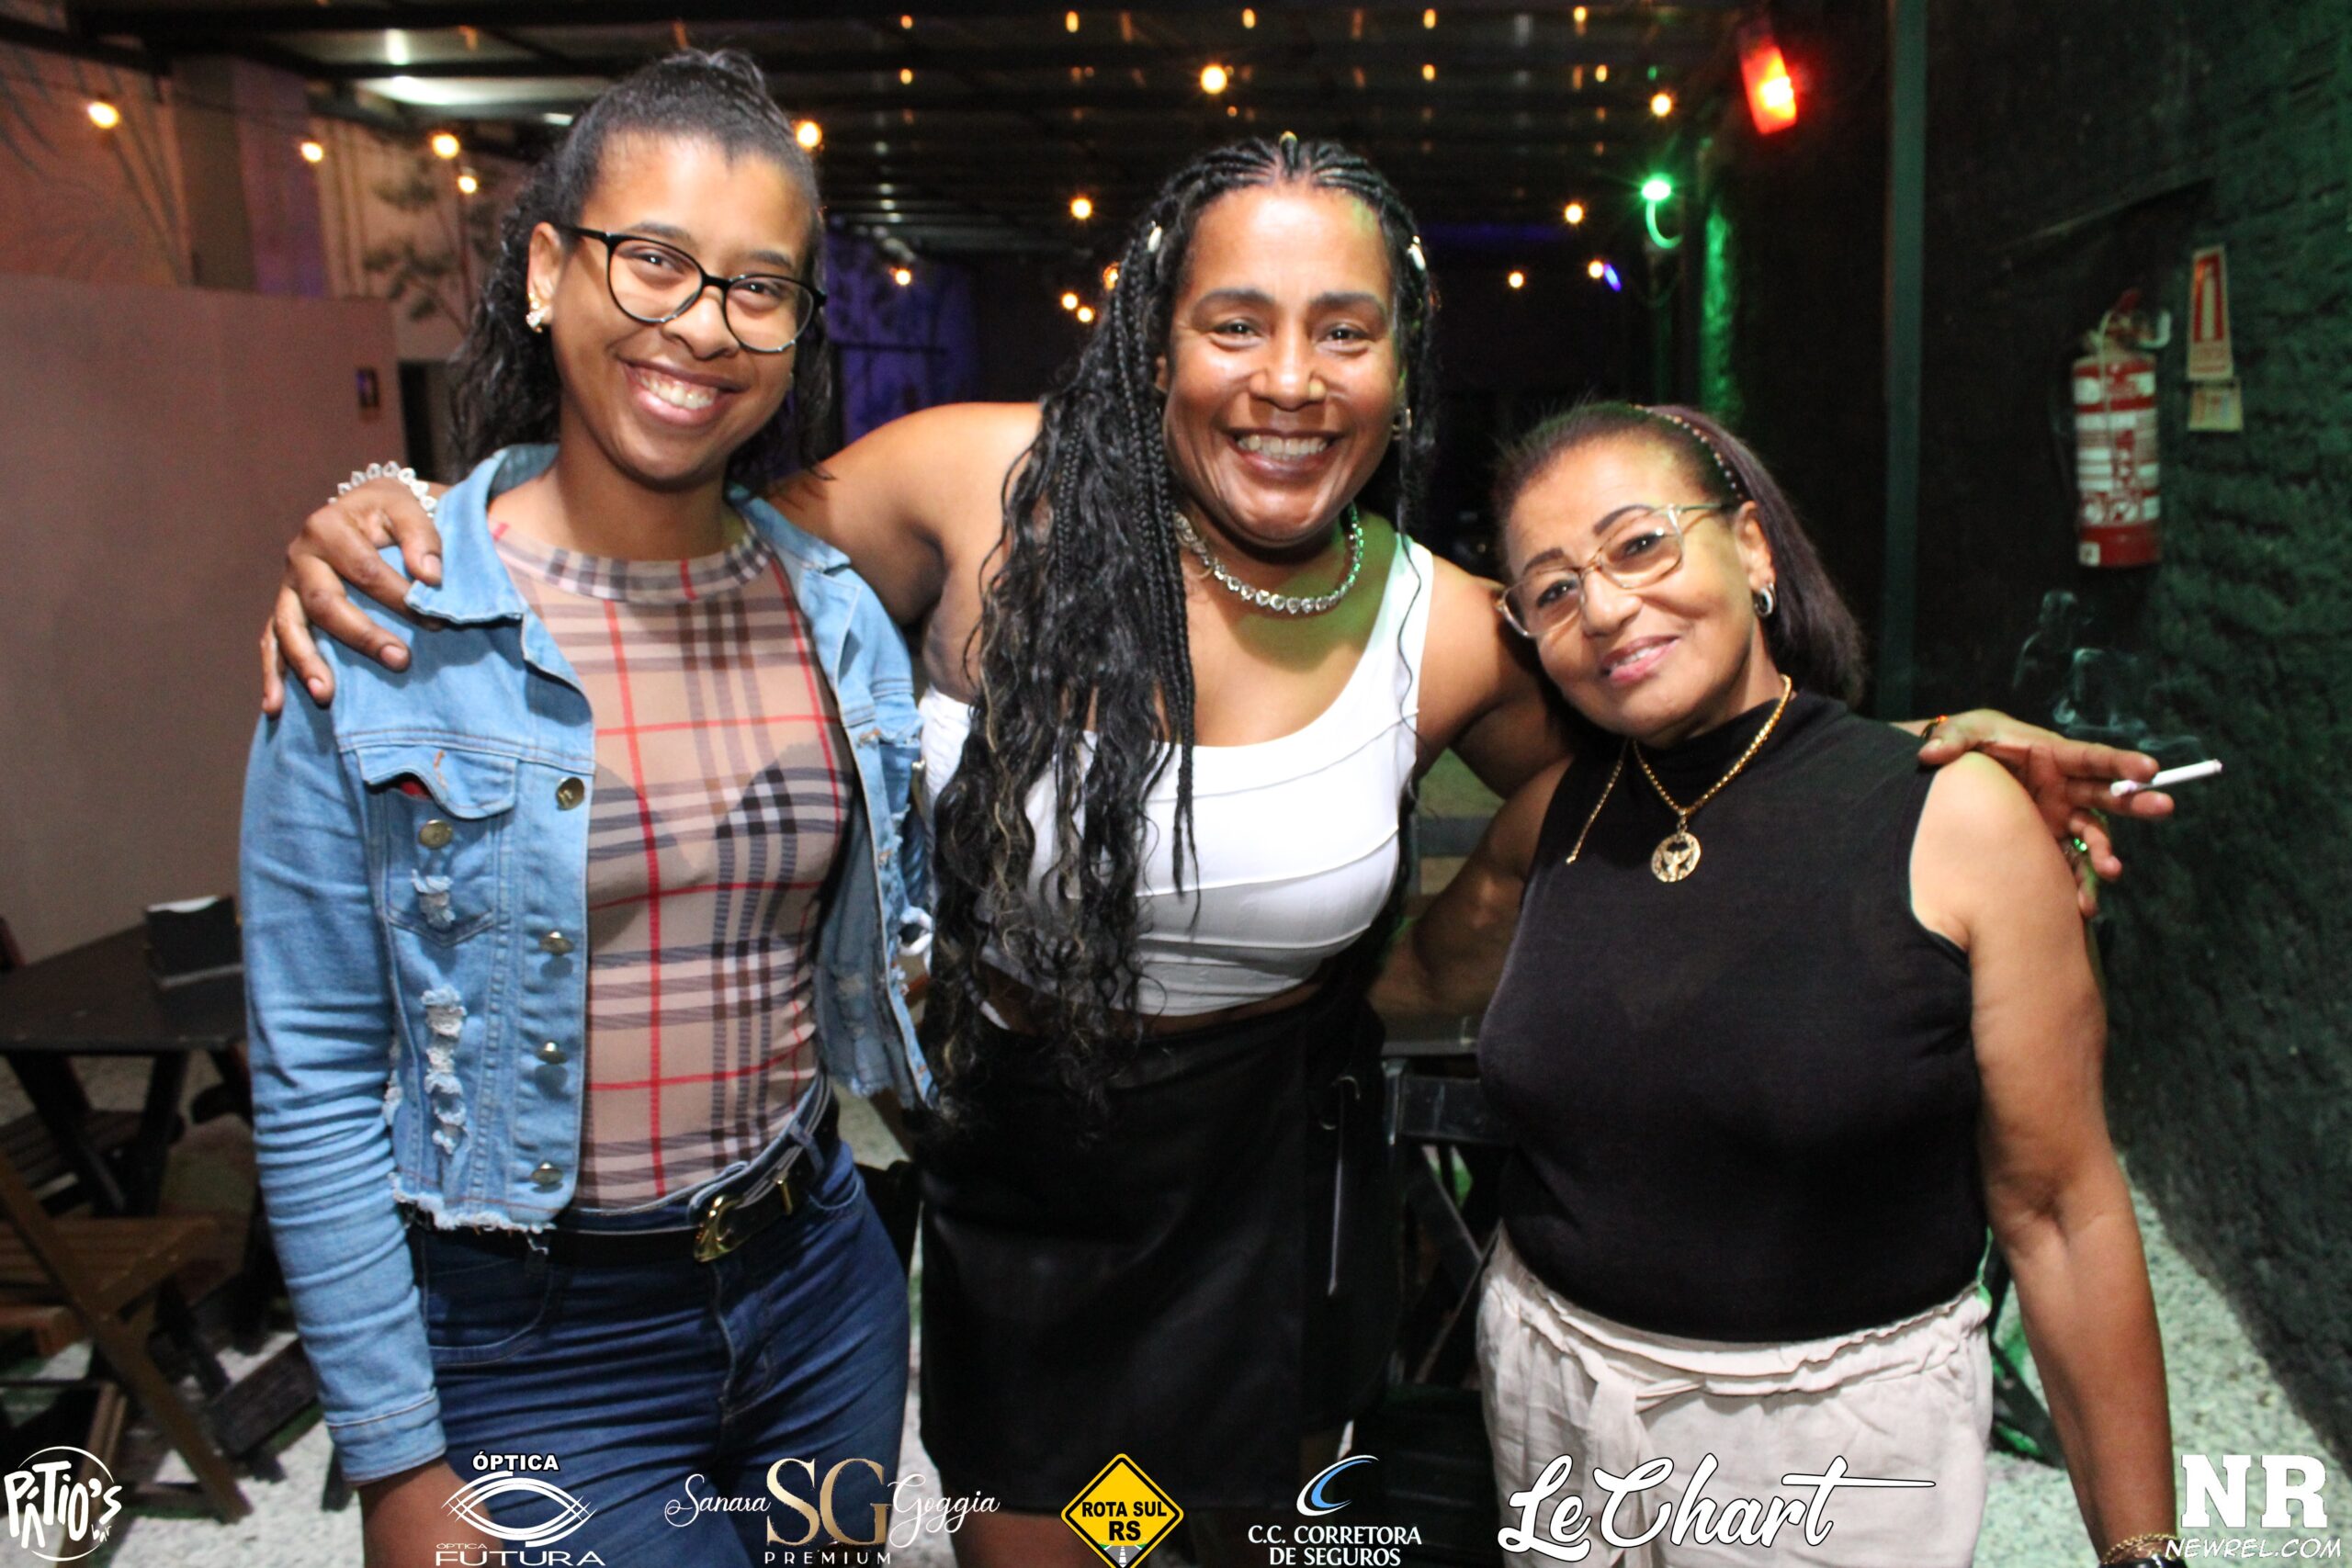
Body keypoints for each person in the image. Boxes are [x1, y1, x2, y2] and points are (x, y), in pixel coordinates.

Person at [254, 137, 2165, 1567]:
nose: (1287, 377)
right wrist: (410, 515)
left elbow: (1686, 745)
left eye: (1344, 331)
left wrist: (1929, 763)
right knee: (1058, 1541)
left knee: (1241, 1541)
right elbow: (670, 543)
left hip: (1273, 1186)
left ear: (1401, 368)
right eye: (1234, 322)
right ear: (1153, 342)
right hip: (1017, 1174)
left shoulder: (1445, 624)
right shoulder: (970, 490)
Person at [239, 52, 927, 1568]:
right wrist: (395, 1455)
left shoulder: (835, 616)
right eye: (655, 259)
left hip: (816, 1282)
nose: (705, 323)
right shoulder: (381, 622)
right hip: (534, 1333)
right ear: (550, 271)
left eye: (759, 287)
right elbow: (313, 1073)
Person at [1376, 402, 2177, 1568]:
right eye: (1551, 591)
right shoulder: (1554, 822)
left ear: (1751, 548)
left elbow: (2061, 1215)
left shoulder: (1956, 820)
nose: (1603, 608)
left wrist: (2141, 1550)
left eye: (1638, 544)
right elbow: (1402, 981)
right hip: (1551, 1395)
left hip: (1831, 1442)